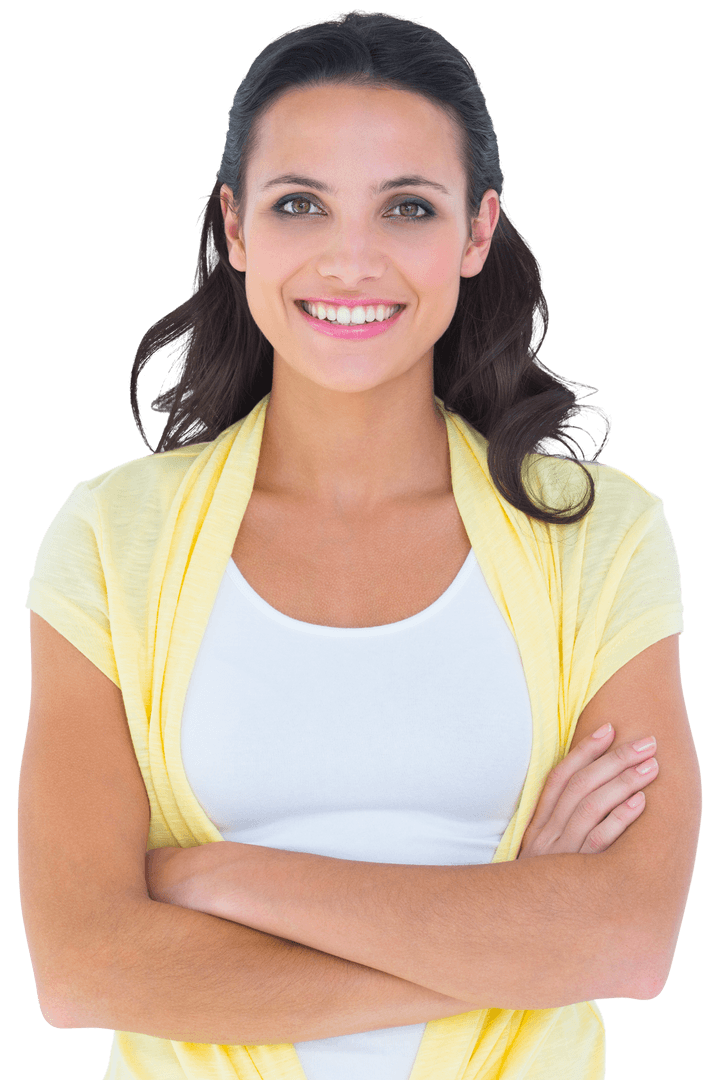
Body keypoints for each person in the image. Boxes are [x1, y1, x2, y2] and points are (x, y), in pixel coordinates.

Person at [18, 9, 701, 1080]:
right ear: (237, 229)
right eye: (300, 204)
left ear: (476, 235)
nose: (351, 259)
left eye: (407, 207)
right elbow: (82, 968)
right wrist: (517, 937)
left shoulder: (598, 535)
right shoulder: (113, 538)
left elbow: (628, 940)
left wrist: (226, 877)